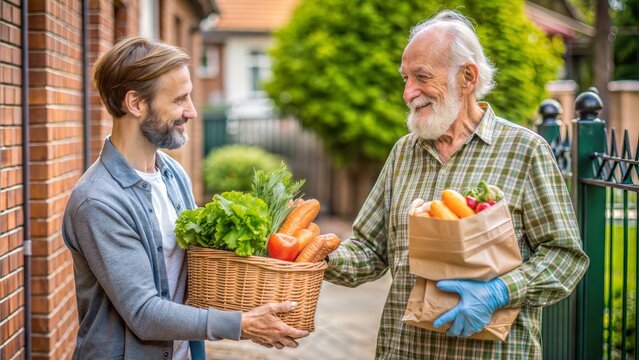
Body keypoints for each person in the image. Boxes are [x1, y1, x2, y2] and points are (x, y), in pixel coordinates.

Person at [324, 10, 589, 359]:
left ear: (467, 77)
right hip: (404, 350)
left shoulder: (525, 151)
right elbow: (369, 250)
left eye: (421, 77)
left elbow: (565, 257)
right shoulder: (404, 153)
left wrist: (500, 291)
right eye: (405, 78)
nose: (407, 92)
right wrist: (318, 257)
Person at [61, 37, 308, 359]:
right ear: (135, 104)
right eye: (179, 99)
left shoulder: (173, 175)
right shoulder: (98, 201)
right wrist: (242, 324)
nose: (191, 111)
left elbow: (194, 274)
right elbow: (144, 313)